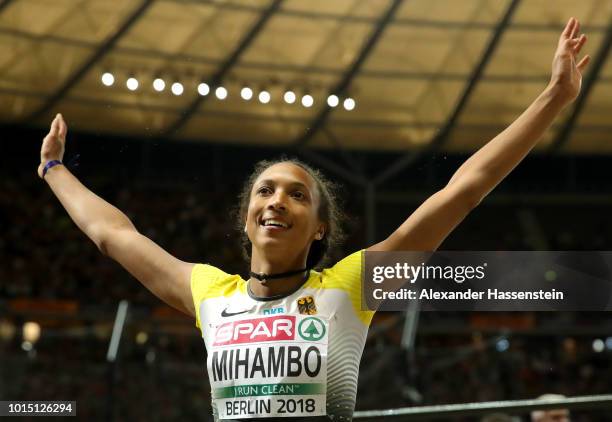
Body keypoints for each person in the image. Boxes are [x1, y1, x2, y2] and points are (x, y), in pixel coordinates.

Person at [38, 18, 589, 421]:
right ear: (247, 216)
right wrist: (53, 168)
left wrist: (554, 98)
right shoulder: (209, 292)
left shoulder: (352, 285)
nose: (277, 200)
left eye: (298, 195)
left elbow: (462, 191)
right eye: (266, 190)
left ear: (320, 226)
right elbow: (113, 234)